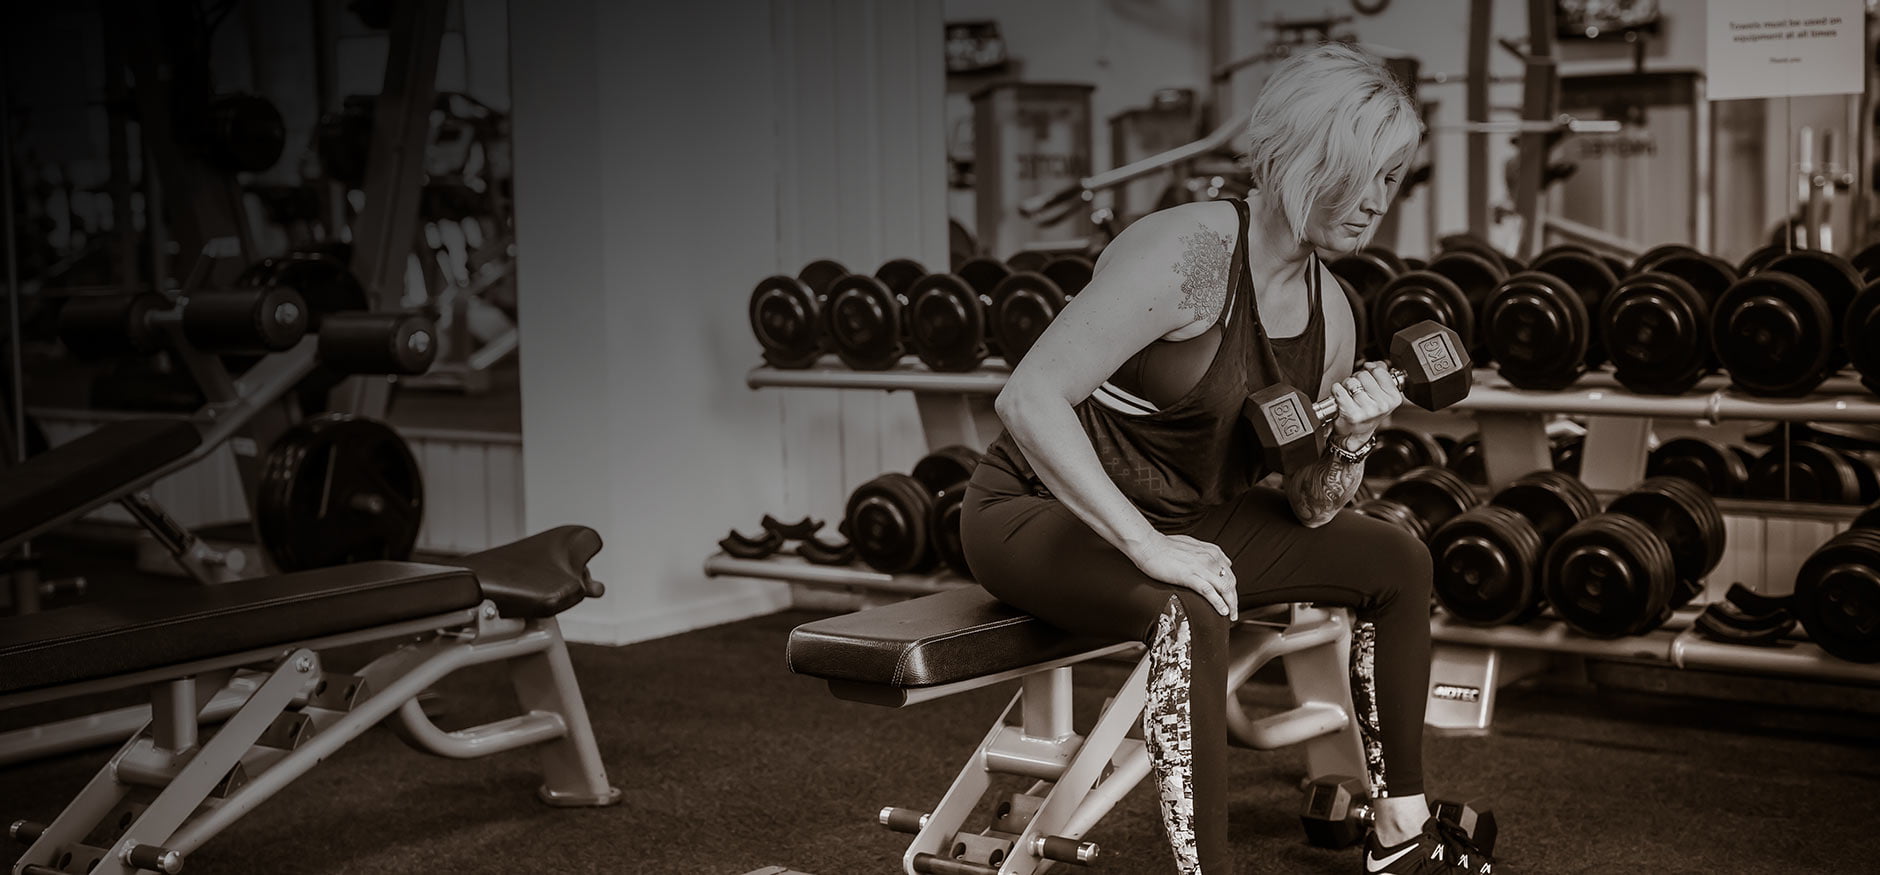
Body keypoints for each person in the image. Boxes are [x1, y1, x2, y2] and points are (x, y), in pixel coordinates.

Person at [960, 43, 1495, 874]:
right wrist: (1146, 545)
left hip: (1192, 516)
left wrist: (1354, 436)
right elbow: (1028, 399)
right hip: (1037, 511)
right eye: (1354, 172)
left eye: (1390, 179)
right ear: (1293, 155)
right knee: (1189, 607)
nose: (1371, 203)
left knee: (1396, 556)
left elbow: (1312, 504)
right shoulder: (1190, 252)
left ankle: (1400, 832)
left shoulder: (1336, 310)